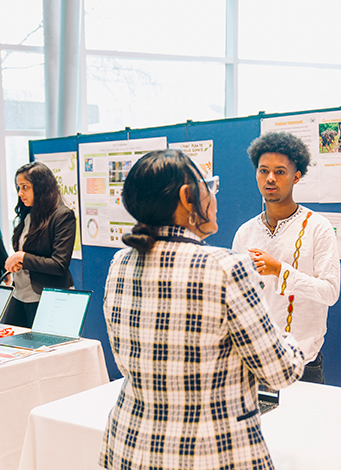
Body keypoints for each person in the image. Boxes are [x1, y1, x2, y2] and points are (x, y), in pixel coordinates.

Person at [99, 149, 304, 470]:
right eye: (209, 186)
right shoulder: (225, 268)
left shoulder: (120, 263)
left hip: (131, 446)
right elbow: (280, 371)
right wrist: (287, 337)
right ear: (187, 197)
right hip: (208, 453)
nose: (214, 196)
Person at [232, 132, 341, 384]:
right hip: (254, 365)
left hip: (303, 365)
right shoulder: (245, 233)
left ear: (296, 177)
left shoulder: (318, 227)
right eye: (263, 170)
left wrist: (280, 270)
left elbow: (330, 292)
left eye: (280, 172)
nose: (270, 178)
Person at [3, 161, 76, 327]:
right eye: (18, 187)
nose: (20, 193)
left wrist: (23, 257)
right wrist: (18, 262)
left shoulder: (62, 216)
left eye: (25, 187)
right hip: (19, 294)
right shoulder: (27, 214)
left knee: (45, 351)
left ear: (41, 187)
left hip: (47, 297)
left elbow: (59, 265)